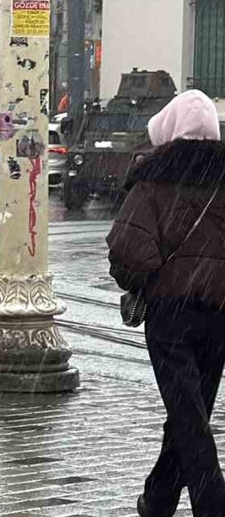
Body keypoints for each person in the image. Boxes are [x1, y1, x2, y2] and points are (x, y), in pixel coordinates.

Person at [107, 89, 225, 517]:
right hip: (219, 316)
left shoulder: (153, 183)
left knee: (187, 414)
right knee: (190, 413)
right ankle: (158, 498)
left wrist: (145, 280)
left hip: (171, 317)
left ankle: (213, 503)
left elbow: (127, 251)